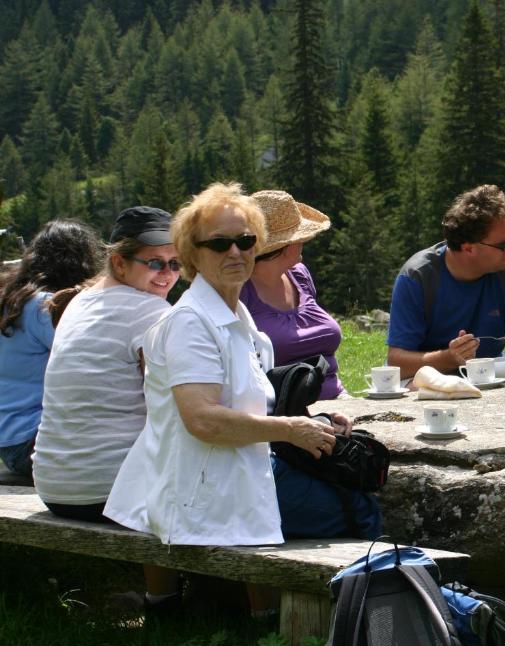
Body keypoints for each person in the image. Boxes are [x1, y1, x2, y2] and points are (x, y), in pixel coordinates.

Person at [105, 183, 378, 556]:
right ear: (192, 254)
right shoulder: (191, 322)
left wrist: (315, 420)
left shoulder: (235, 313)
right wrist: (291, 430)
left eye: (246, 241)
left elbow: (246, 405)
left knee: (350, 483)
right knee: (360, 507)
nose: (235, 251)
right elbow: (202, 420)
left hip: (235, 468)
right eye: (219, 244)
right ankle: (368, 609)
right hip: (207, 486)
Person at [31, 208, 180, 517]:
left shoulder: (78, 301)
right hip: (110, 490)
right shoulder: (150, 311)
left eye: (176, 263)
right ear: (118, 263)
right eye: (155, 262)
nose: (167, 274)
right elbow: (172, 407)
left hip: (54, 487)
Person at [386, 184, 505, 379]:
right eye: (504, 244)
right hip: (430, 381)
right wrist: (449, 358)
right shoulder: (418, 277)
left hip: (491, 377)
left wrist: (481, 376)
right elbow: (397, 363)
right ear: (468, 248)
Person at [0, 220, 103, 477]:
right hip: (34, 444)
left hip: (10, 442)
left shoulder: (12, 300)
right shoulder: (45, 307)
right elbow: (90, 360)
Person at [240, 189, 345, 399]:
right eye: (302, 236)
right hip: (283, 411)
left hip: (339, 399)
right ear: (286, 247)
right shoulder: (239, 292)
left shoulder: (299, 275)